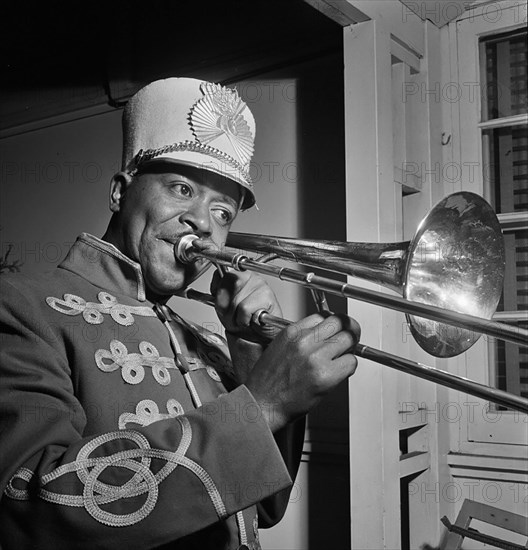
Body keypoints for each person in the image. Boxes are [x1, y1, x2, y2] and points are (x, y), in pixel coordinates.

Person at [0, 78, 360, 549]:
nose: (204, 223)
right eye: (181, 188)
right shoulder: (21, 303)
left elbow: (265, 511)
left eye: (224, 212)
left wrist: (251, 358)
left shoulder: (204, 341)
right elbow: (29, 506)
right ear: (119, 193)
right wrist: (264, 405)